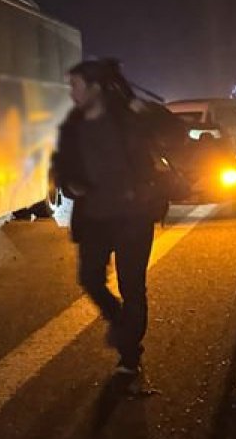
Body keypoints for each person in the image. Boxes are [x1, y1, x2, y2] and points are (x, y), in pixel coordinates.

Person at [51, 59, 168, 375]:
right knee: (89, 278)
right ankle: (119, 322)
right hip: (94, 219)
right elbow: (61, 165)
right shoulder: (73, 126)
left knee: (133, 287)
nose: (71, 93)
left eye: (75, 86)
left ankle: (130, 355)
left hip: (133, 218)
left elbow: (167, 137)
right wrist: (69, 183)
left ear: (95, 88)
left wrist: (140, 107)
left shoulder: (128, 118)